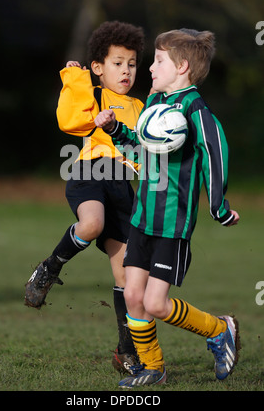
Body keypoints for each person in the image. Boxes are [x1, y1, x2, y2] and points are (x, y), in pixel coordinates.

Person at [94, 28, 241, 388]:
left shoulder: (195, 109)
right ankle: (154, 368)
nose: (150, 68)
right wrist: (116, 131)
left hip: (172, 224)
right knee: (132, 294)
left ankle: (220, 329)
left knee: (156, 303)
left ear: (182, 66)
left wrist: (218, 207)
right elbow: (142, 148)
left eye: (158, 61)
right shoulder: (156, 103)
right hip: (143, 217)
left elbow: (215, 153)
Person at [24, 20, 145, 374]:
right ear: (98, 68)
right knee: (92, 224)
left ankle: (126, 352)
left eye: (132, 64)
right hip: (91, 174)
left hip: (123, 186)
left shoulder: (141, 107)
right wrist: (76, 80)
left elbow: (145, 151)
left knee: (129, 278)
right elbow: (69, 120)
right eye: (117, 63)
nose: (126, 71)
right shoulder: (92, 93)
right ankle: (48, 269)